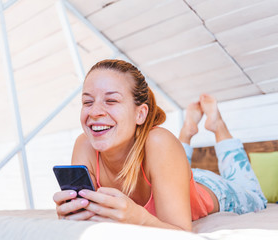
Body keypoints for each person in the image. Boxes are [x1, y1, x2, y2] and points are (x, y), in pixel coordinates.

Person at [53, 59, 267, 231]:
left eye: (111, 101)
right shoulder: (84, 144)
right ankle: (187, 132)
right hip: (175, 173)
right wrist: (73, 213)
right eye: (87, 102)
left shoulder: (159, 141)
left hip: (214, 189)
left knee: (256, 196)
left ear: (140, 113)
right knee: (166, 156)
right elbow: (86, 221)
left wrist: (138, 218)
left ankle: (217, 126)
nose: (94, 112)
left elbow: (181, 233)